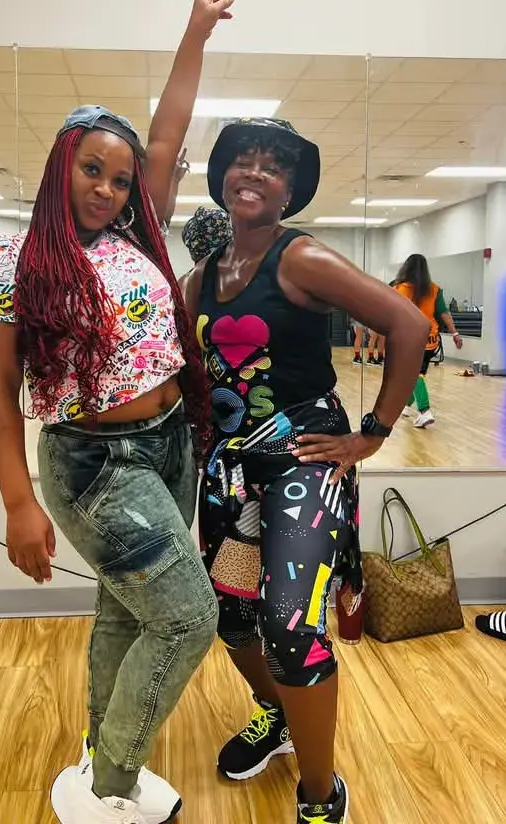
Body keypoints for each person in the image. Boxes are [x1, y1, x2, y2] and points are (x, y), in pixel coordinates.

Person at [0, 0, 234, 824]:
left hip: (170, 441)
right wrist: (18, 504)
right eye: (93, 169)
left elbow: (167, 131)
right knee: (186, 619)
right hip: (94, 465)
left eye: (120, 179)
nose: (109, 189)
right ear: (62, 165)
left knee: (127, 612)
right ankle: (113, 778)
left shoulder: (134, 237)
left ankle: (101, 764)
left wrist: (195, 32)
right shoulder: (8, 264)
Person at [182, 117, 429, 824]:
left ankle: (320, 794)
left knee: (290, 625)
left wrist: (371, 435)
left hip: (303, 461)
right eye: (244, 160)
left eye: (274, 166)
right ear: (223, 177)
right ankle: (278, 714)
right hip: (231, 472)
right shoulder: (201, 278)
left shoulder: (302, 258)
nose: (255, 172)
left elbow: (410, 326)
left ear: (289, 191)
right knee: (230, 616)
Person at [393, 254, 463, 428]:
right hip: (430, 340)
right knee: (417, 374)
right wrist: (454, 333)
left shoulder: (400, 288)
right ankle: (407, 404)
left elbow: (393, 314)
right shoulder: (434, 289)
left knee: (413, 374)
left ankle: (424, 411)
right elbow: (444, 313)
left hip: (410, 339)